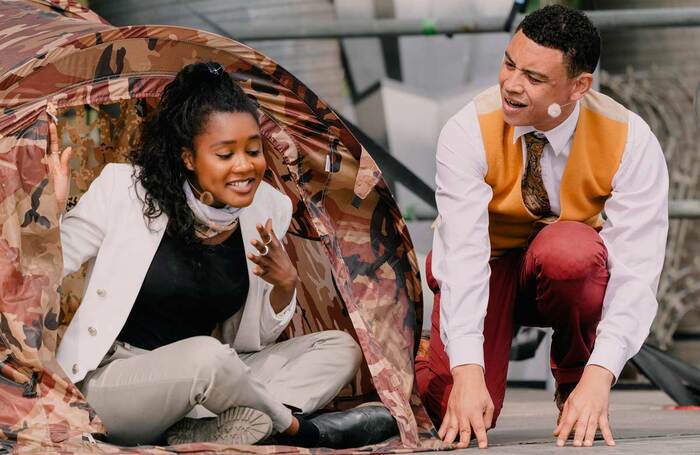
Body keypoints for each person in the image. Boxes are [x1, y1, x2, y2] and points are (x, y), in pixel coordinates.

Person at [49, 61, 397, 448]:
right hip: (117, 383)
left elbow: (254, 340)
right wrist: (50, 214)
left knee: (338, 348)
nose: (245, 166)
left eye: (253, 149)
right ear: (188, 157)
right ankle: (300, 429)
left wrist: (284, 287)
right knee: (206, 358)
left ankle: (210, 430)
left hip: (208, 384)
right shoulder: (124, 191)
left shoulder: (268, 208)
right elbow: (46, 272)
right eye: (225, 154)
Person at [415, 5, 668, 449]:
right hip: (486, 268)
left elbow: (635, 271)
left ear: (578, 86)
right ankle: (415, 357)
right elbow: (464, 256)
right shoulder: (468, 130)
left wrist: (600, 374)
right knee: (458, 413)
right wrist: (467, 371)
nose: (511, 85)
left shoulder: (631, 139)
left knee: (572, 252)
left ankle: (572, 380)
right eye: (509, 63)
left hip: (559, 271)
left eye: (533, 77)